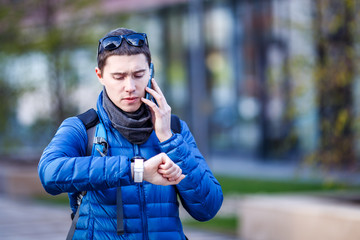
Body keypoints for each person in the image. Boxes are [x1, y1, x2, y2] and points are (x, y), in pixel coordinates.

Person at [38, 27, 223, 240]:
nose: (130, 86)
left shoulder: (175, 129)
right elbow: (49, 174)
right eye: (119, 76)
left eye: (138, 75)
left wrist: (168, 140)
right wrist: (137, 170)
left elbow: (208, 209)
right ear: (100, 75)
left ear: (151, 71)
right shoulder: (82, 128)